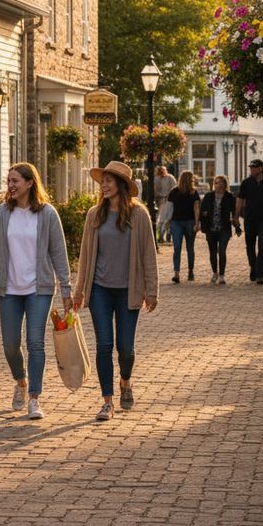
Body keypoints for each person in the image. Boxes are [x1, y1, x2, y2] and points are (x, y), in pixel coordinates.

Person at [0, 162, 72, 421]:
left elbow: (58, 253)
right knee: (10, 345)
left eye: (15, 180)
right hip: (8, 289)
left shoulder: (47, 214)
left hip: (39, 289)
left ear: (30, 183)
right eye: (9, 180)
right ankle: (20, 381)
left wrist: (66, 288)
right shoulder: (0, 214)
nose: (10, 185)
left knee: (35, 343)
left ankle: (34, 397)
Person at [72, 161, 158, 421]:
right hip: (99, 290)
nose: (105, 185)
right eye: (103, 181)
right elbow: (85, 256)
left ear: (122, 185)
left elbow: (148, 255)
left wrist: (151, 291)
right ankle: (107, 401)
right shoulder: (94, 215)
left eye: (110, 181)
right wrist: (79, 291)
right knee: (104, 345)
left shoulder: (139, 215)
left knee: (126, 348)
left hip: (128, 291)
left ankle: (126, 381)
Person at [234, 159, 263, 285]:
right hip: (249, 220)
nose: (252, 170)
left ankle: (260, 274)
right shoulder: (246, 183)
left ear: (261, 168)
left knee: (262, 246)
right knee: (250, 246)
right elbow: (239, 200)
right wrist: (236, 217)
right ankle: (253, 267)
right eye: (251, 167)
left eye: (254, 167)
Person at [199, 175, 238, 284]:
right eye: (216, 182)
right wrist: (204, 214)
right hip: (211, 229)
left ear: (225, 184)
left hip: (224, 228)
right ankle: (215, 272)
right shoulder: (209, 196)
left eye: (221, 182)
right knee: (212, 252)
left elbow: (234, 212)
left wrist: (236, 224)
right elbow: (202, 211)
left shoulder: (229, 196)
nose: (219, 184)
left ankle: (221, 275)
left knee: (221, 251)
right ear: (214, 184)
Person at [168, 170, 200, 283]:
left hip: (189, 222)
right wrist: (168, 221)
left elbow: (196, 208)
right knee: (180, 247)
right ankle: (177, 273)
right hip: (177, 222)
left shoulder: (193, 192)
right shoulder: (174, 192)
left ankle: (190, 270)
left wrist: (197, 223)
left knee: (185, 248)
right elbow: (170, 208)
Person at [154, 165, 177, 244]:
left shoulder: (169, 178)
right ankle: (162, 235)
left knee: (165, 219)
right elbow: (174, 188)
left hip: (165, 200)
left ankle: (165, 235)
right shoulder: (158, 179)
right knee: (165, 219)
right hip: (165, 201)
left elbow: (174, 188)